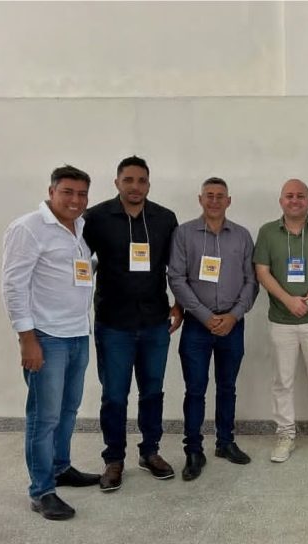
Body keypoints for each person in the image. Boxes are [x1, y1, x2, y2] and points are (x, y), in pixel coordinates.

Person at [2, 165, 100, 520]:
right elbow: (13, 286)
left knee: (68, 409)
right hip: (46, 337)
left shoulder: (81, 229)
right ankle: (41, 490)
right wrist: (27, 339)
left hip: (78, 334)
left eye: (82, 194)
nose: (76, 200)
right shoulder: (28, 228)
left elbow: (78, 273)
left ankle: (61, 467)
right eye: (67, 192)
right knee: (43, 418)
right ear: (51, 191)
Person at [84, 156, 182, 491]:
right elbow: (77, 261)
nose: (135, 186)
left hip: (155, 321)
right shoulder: (95, 218)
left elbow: (176, 268)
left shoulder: (165, 219)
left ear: (149, 185)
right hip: (114, 323)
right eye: (128, 180)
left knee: (152, 391)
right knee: (114, 395)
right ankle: (114, 458)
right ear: (117, 183)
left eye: (141, 180)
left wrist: (179, 304)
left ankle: (150, 451)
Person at [168, 177, 258, 481]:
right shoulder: (184, 234)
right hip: (197, 325)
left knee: (227, 386)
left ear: (229, 201)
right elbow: (176, 278)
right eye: (209, 195)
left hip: (233, 324)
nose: (215, 200)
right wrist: (205, 316)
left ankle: (225, 442)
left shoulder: (242, 236)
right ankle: (194, 450)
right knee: (195, 390)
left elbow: (251, 281)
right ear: (200, 199)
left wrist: (234, 315)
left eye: (220, 196)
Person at [253, 179, 308, 463]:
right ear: (281, 201)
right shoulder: (267, 232)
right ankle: (285, 434)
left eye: (300, 196)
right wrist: (289, 301)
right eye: (289, 196)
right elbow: (262, 272)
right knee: (283, 381)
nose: (295, 200)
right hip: (281, 320)